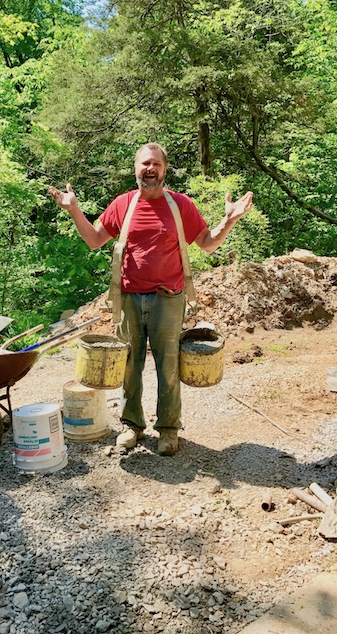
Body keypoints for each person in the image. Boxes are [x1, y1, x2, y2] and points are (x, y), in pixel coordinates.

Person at [49, 143, 253, 455]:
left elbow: (208, 244)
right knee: (130, 365)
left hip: (169, 299)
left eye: (156, 164)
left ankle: (168, 430)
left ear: (164, 170)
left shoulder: (180, 206)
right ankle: (132, 425)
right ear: (136, 169)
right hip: (128, 298)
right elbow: (93, 240)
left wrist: (230, 219)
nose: (150, 169)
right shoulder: (123, 204)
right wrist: (73, 209)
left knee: (168, 366)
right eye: (145, 163)